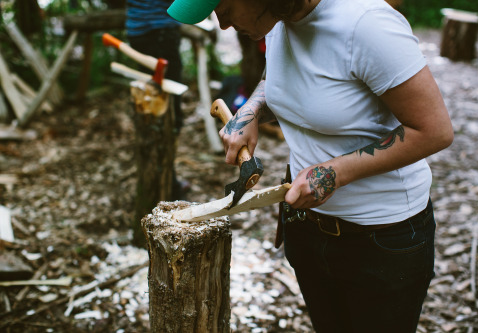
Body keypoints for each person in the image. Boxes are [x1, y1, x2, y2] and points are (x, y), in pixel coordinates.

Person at [167, 0, 454, 332]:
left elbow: (434, 130)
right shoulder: (277, 19)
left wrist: (334, 173)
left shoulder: (367, 25)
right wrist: (252, 110)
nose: (223, 25)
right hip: (305, 227)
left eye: (225, 8)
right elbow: (281, 77)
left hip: (381, 242)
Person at [126, 0, 190, 198]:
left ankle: (161, 181)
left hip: (137, 32)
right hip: (160, 30)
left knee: (154, 102)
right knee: (167, 107)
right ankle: (166, 185)